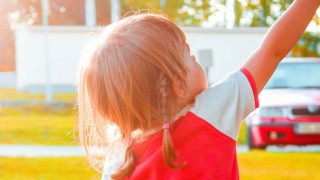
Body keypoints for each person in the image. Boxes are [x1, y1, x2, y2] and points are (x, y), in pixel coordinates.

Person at [76, 1, 320, 179]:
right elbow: (272, 51)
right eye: (190, 57)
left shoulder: (120, 159)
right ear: (175, 85)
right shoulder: (213, 111)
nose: (196, 60)